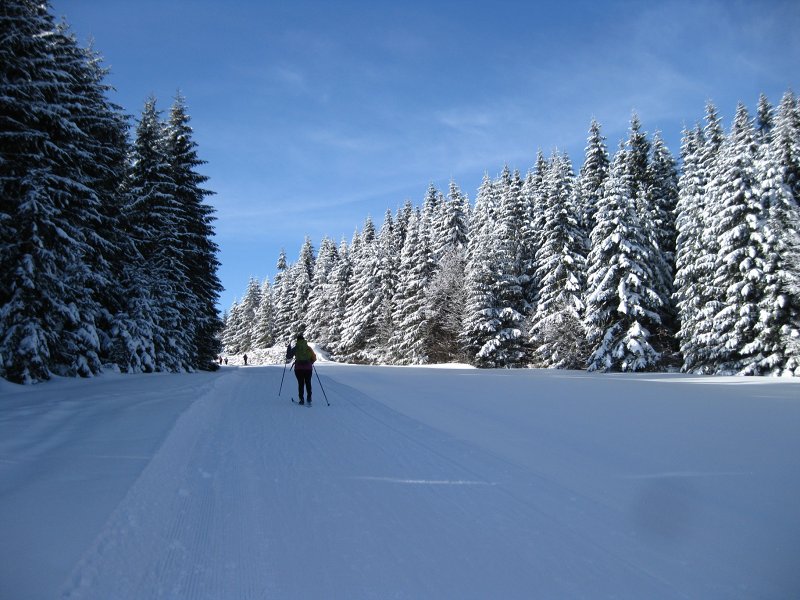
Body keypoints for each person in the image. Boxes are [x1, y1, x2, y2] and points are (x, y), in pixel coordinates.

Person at [287, 333, 316, 405]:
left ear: (297, 340)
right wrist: (310, 362)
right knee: (308, 382)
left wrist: (288, 348)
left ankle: (301, 399)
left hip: (298, 368)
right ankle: (309, 398)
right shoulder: (308, 348)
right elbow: (314, 358)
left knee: (301, 383)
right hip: (308, 368)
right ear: (304, 340)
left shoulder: (296, 347)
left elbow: (288, 357)